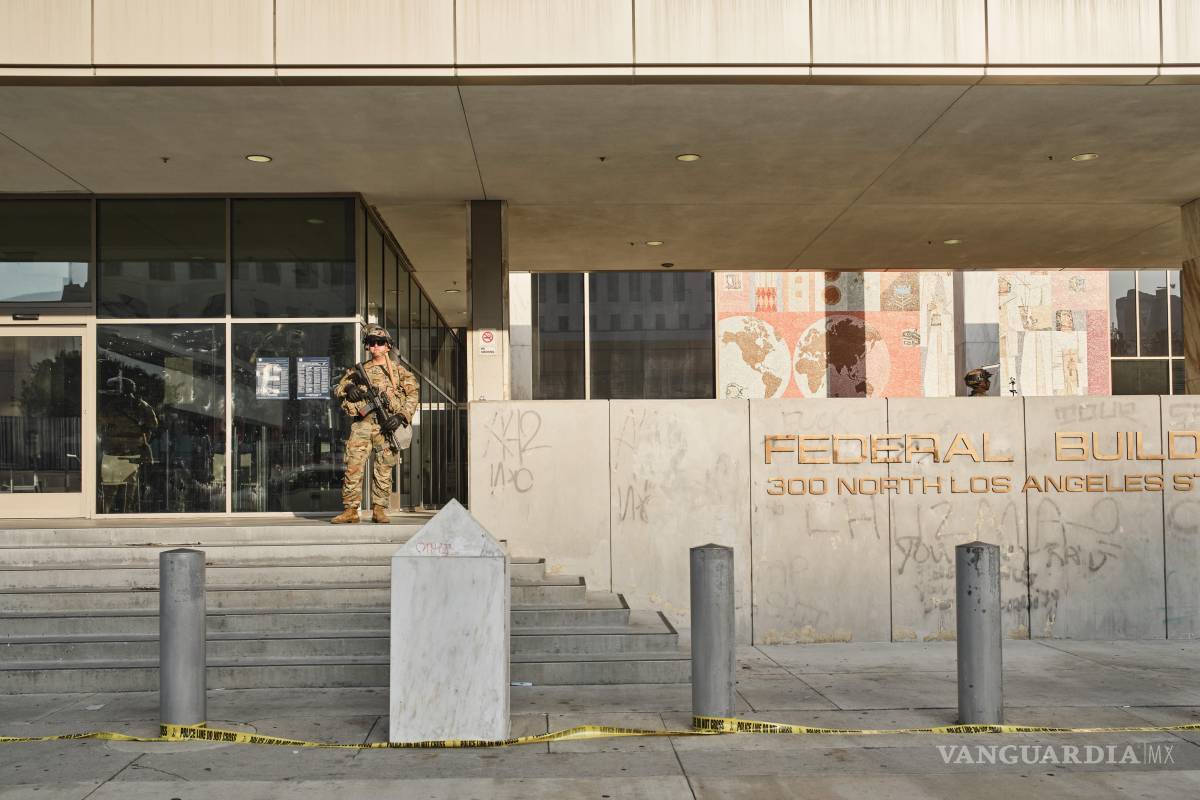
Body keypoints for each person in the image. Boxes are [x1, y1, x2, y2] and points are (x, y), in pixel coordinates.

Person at [331, 325, 419, 523]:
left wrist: (401, 416)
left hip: (387, 425)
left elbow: (413, 395)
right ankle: (351, 510)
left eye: (379, 343)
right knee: (353, 465)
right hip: (362, 424)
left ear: (388, 346)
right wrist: (350, 387)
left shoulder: (398, 372)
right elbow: (338, 388)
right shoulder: (358, 370)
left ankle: (379, 509)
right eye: (371, 343)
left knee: (384, 467)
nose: (375, 347)